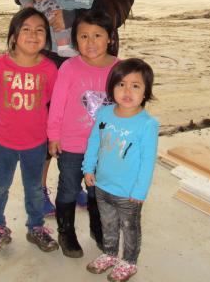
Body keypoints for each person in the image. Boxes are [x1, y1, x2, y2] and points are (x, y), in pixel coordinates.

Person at [33, 0, 136, 216]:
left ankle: (77, 183)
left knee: (91, 121)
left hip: (97, 59)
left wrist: (76, 23)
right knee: (52, 120)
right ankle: (38, 191)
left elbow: (118, 12)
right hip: (56, 54)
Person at [0, 7, 59, 253]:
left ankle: (36, 227)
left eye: (39, 30)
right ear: (14, 35)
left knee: (34, 188)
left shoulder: (49, 69)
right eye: (26, 29)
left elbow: (51, 99)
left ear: (46, 37)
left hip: (35, 142)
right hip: (4, 141)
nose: (33, 35)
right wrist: (6, 112)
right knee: (0, 187)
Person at [47, 9, 119, 258]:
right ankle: (66, 232)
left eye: (97, 35)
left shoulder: (119, 68)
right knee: (68, 188)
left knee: (98, 191)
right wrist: (53, 135)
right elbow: (56, 103)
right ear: (75, 39)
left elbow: (127, 106)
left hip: (105, 147)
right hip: (72, 144)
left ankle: (98, 230)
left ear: (110, 37)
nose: (90, 43)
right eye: (84, 36)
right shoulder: (69, 67)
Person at [82, 58, 159, 282]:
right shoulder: (105, 114)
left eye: (135, 86)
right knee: (108, 224)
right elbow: (94, 141)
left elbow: (147, 161)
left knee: (130, 227)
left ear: (145, 92)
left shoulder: (147, 124)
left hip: (128, 192)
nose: (127, 91)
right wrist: (88, 168)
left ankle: (129, 261)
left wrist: (140, 191)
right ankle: (109, 253)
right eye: (121, 84)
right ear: (112, 87)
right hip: (102, 185)